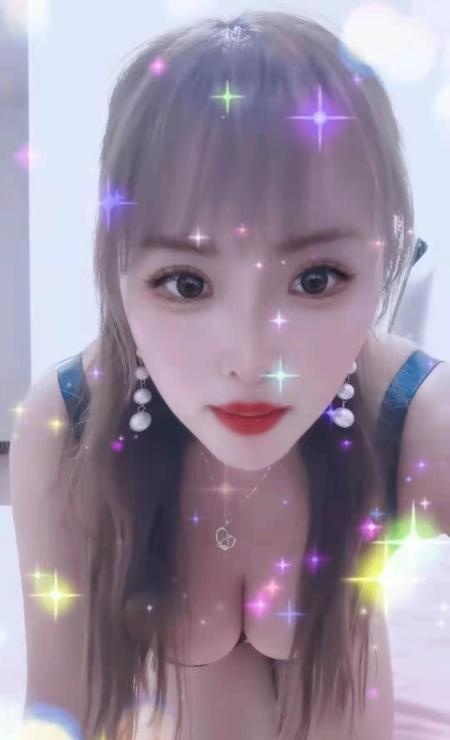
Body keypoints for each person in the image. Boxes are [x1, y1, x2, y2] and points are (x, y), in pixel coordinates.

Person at [10, 10, 446, 740]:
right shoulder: (68, 429)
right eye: (186, 283)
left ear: (388, 254)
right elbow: (59, 715)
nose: (250, 358)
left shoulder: (414, 420)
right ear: (116, 269)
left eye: (315, 279)